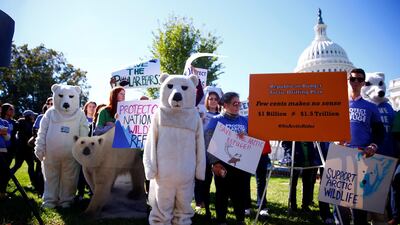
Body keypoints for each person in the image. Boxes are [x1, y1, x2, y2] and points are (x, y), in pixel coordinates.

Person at [337, 68, 384, 225]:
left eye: (359, 79)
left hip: (362, 156)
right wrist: (335, 140)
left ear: (364, 83)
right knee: (340, 200)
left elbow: (379, 131)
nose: (356, 82)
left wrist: (373, 145)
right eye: (353, 79)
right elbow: (328, 128)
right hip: (341, 155)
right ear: (348, 81)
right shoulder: (338, 104)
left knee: (359, 203)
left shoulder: (371, 107)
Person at [204, 92, 250, 225]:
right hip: (222, 164)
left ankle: (240, 219)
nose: (238, 106)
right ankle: (221, 220)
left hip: (241, 165)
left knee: (240, 193)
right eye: (235, 103)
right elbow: (209, 140)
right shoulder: (216, 120)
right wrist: (214, 163)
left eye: (239, 103)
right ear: (225, 105)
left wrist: (246, 136)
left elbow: (252, 141)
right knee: (222, 193)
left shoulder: (244, 120)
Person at [194, 90, 221, 219]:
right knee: (205, 182)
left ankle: (220, 209)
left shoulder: (222, 116)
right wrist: (200, 120)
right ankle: (205, 208)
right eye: (211, 98)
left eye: (216, 99)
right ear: (207, 100)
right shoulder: (201, 114)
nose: (213, 101)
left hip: (219, 155)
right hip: (204, 154)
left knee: (220, 184)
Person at [281, 141, 320, 213]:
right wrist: (290, 154)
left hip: (309, 162)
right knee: (293, 184)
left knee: (307, 184)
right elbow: (285, 143)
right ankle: (293, 206)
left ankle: (305, 206)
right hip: (295, 161)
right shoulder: (291, 131)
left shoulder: (309, 132)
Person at [10, 110, 38, 190]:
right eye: (32, 115)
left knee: (26, 166)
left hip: (24, 149)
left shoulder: (27, 124)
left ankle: (33, 183)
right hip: (23, 149)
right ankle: (5, 180)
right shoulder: (23, 124)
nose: (34, 117)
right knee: (20, 166)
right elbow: (24, 136)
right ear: (29, 116)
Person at [76, 101, 97, 200]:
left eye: (94, 107)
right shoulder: (81, 119)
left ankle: (91, 190)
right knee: (81, 171)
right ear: (86, 108)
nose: (92, 108)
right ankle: (80, 192)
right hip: (83, 149)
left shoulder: (96, 120)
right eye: (90, 106)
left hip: (94, 150)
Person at [0, 105, 11, 200]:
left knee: (3, 173)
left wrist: (3, 132)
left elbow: (8, 137)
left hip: (2, 150)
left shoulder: (4, 122)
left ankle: (2, 193)